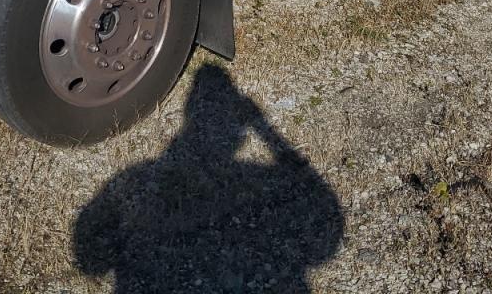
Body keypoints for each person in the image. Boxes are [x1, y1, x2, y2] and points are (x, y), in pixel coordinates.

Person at [74, 64, 344, 293]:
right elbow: (324, 227)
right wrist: (266, 130)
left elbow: (89, 262)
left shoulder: (135, 178)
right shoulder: (252, 179)